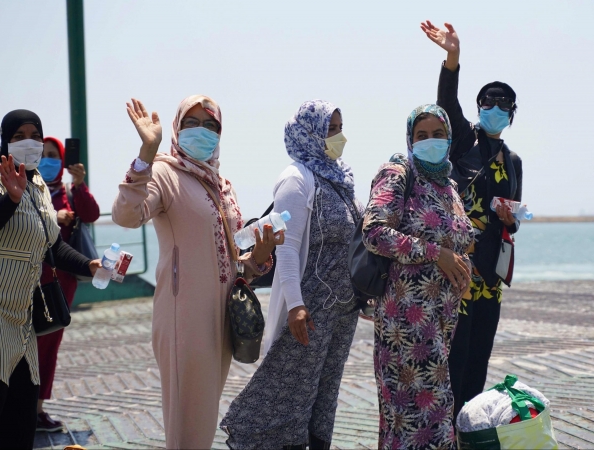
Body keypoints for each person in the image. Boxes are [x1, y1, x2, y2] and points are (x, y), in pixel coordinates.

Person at [111, 96, 280, 448]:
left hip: (220, 321)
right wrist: (146, 152)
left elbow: (232, 264)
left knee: (200, 425)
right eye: (191, 123)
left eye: (210, 125)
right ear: (176, 128)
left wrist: (258, 257)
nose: (201, 132)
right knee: (188, 428)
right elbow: (125, 216)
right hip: (183, 321)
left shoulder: (222, 187)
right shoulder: (164, 173)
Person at [220, 100, 361, 450]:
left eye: (339, 128)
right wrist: (296, 305)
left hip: (343, 310)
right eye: (330, 129)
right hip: (310, 308)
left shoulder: (341, 178)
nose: (337, 136)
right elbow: (286, 246)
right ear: (309, 133)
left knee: (325, 391)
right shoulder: (297, 179)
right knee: (289, 390)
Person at [0, 110, 101, 448]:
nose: (29, 142)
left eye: (34, 135)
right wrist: (10, 199)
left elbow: (52, 244)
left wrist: (90, 265)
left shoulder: (39, 186)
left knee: (21, 422)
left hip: (21, 321)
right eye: (18, 136)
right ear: (5, 141)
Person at [421, 21, 524, 418]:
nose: (495, 110)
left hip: (491, 279)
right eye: (488, 103)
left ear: (512, 114)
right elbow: (447, 103)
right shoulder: (464, 140)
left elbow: (514, 217)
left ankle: (467, 430)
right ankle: (441, 431)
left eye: (503, 105)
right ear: (480, 108)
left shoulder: (513, 162)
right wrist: (452, 59)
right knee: (454, 358)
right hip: (459, 272)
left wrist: (510, 217)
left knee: (479, 360)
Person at [362, 104, 474, 450]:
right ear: (409, 139)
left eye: (438, 134)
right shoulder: (397, 172)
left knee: (426, 420)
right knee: (421, 420)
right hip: (406, 325)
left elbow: (459, 239)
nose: (430, 141)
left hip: (440, 325)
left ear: (449, 138)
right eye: (421, 135)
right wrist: (435, 254)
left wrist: (462, 263)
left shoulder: (449, 186)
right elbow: (375, 231)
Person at [35, 136, 101, 432]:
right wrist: (53, 216)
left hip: (59, 283)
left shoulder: (69, 191)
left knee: (49, 346)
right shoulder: (26, 190)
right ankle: (16, 405)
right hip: (24, 279)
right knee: (21, 345)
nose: (47, 160)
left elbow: (92, 215)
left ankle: (36, 409)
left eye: (53, 155)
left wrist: (79, 184)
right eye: (43, 155)